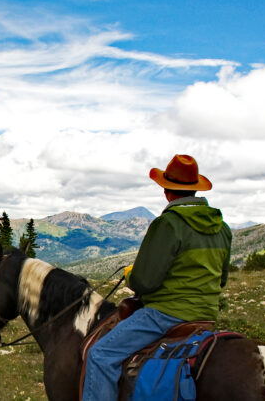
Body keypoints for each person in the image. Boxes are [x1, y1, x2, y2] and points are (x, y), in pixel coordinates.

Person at [83, 154, 231, 400]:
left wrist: (130, 274)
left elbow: (145, 282)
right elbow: (222, 278)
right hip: (206, 315)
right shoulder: (222, 227)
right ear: (194, 190)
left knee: (100, 354)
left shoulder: (168, 224)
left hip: (166, 316)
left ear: (167, 191)